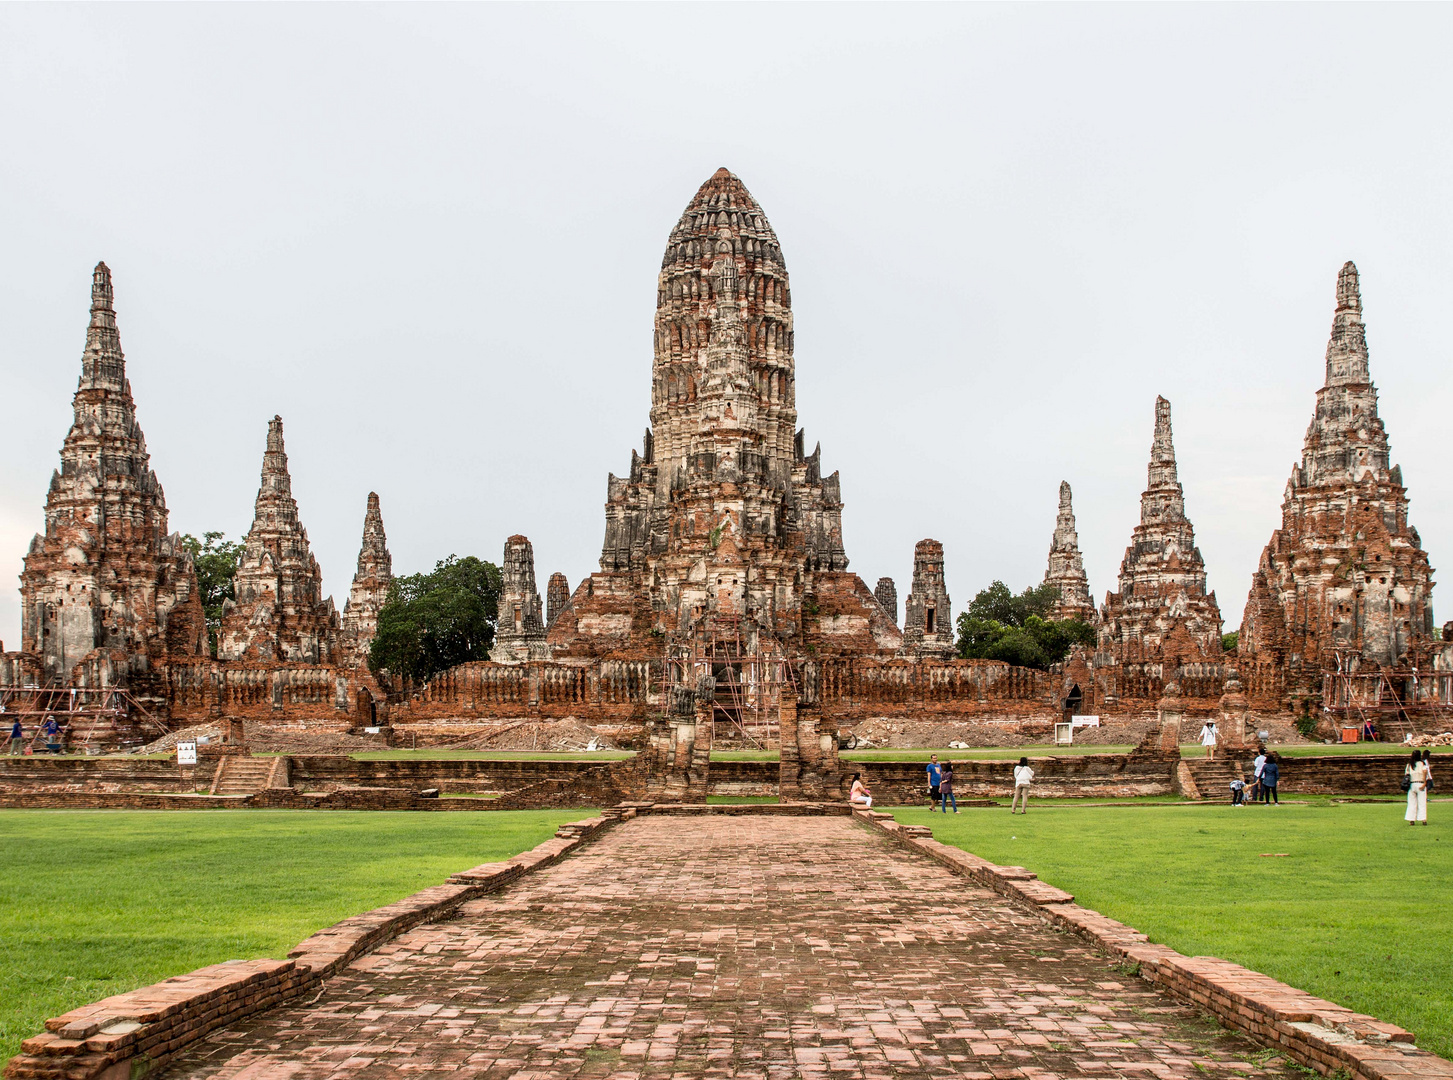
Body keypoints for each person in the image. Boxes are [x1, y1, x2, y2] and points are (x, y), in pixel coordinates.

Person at [1405, 750, 1429, 825]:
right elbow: (1425, 772)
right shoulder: (1422, 763)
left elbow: (1407, 774)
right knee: (1422, 802)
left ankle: (1411, 820)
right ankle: (1423, 819)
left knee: (1412, 803)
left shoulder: (1409, 765)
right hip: (1420, 783)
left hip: (1412, 785)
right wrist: (1425, 783)